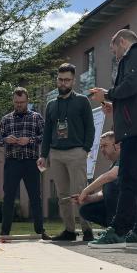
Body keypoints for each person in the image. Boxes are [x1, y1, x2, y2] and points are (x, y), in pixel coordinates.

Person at [89, 28, 137, 248]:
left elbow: (130, 85)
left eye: (113, 49)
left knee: (127, 181)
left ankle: (118, 231)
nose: (115, 55)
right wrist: (114, 106)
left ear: (122, 42)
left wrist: (107, 93)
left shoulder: (135, 55)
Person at [37, 63, 95, 242]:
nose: (63, 83)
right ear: (57, 79)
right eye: (60, 79)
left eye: (67, 80)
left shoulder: (82, 101)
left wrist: (85, 149)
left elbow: (90, 127)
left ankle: (87, 230)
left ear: (73, 81)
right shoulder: (51, 105)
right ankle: (69, 231)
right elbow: (47, 132)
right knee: (62, 195)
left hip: (76, 152)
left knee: (81, 192)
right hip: (56, 154)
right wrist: (43, 155)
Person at [0, 87, 50, 240]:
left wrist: (30, 140)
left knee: (35, 197)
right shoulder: (6, 119)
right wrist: (6, 139)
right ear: (13, 101)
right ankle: (4, 232)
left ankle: (40, 231)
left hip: (31, 162)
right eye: (16, 102)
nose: (19, 105)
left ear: (27, 101)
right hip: (12, 162)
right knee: (8, 198)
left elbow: (45, 136)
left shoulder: (36, 117)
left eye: (22, 102)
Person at [74, 131, 120, 230]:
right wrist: (88, 198)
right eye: (101, 147)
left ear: (117, 145)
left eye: (105, 146)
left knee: (110, 186)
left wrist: (85, 191)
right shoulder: (113, 164)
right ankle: (113, 228)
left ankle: (117, 230)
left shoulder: (125, 158)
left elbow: (110, 176)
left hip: (136, 204)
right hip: (124, 204)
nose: (102, 150)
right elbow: (104, 193)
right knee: (86, 210)